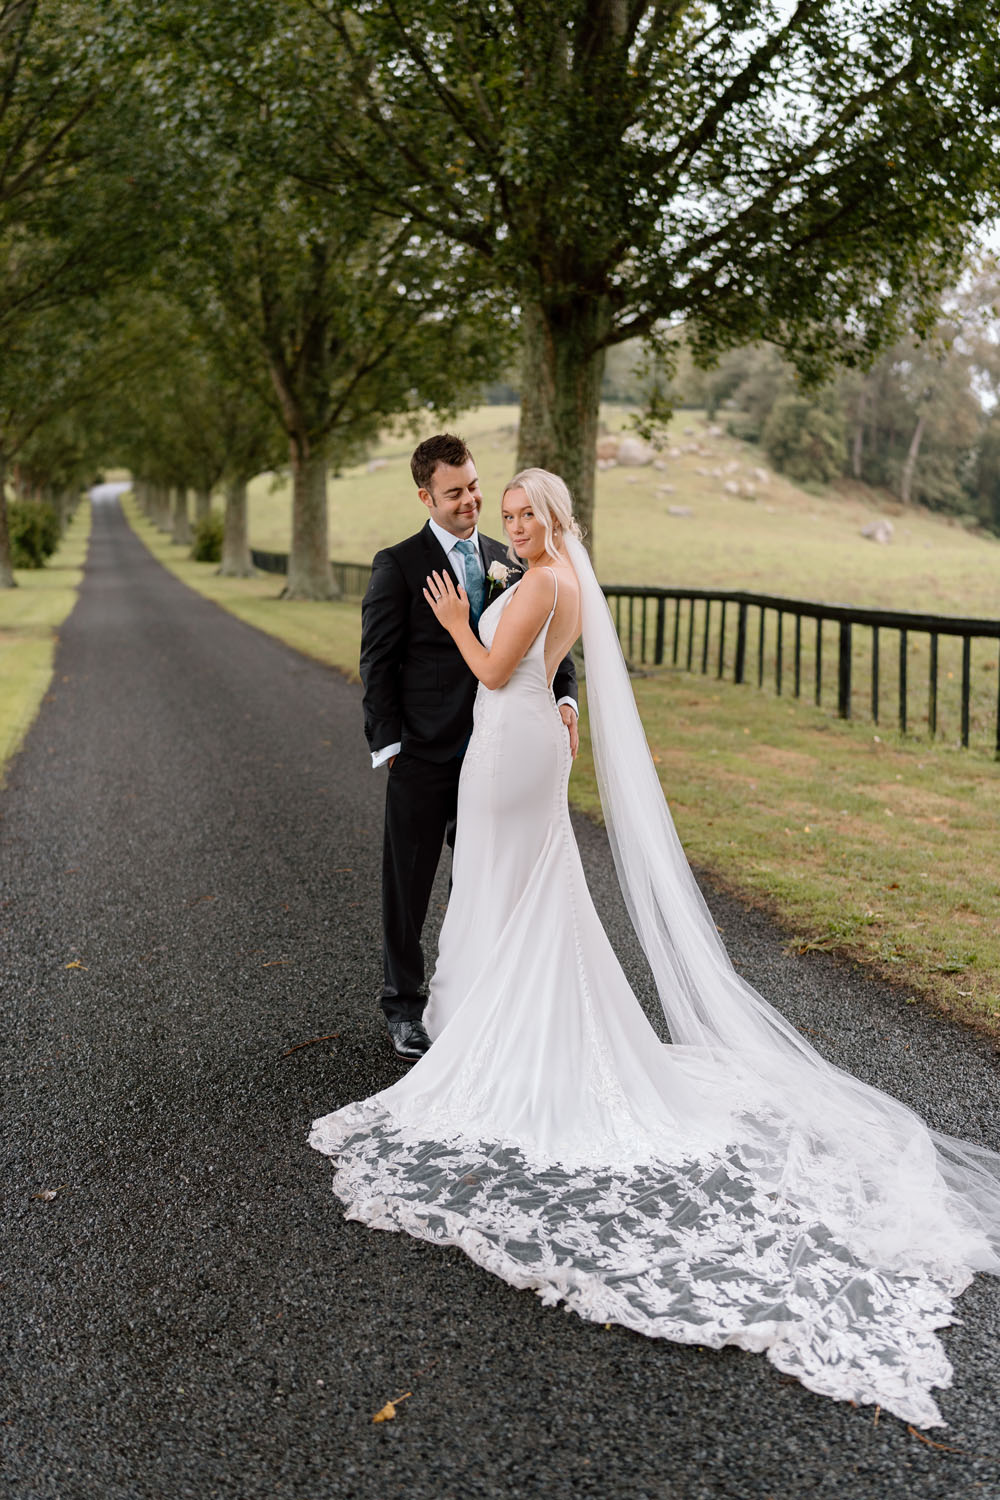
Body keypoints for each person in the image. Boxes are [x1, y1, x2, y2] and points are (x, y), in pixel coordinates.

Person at [315, 469, 1000, 1426]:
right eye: (504, 511)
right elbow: (549, 665)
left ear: (554, 518)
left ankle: (498, 1035)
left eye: (524, 511)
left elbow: (484, 665)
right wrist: (556, 698)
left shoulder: (543, 577)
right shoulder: (558, 577)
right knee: (523, 892)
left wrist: (458, 620)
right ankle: (488, 1016)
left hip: (506, 743)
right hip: (525, 741)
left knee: (506, 890)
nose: (511, 522)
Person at [359, 435, 578, 1061]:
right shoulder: (398, 563)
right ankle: (403, 1008)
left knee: (482, 878)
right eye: (455, 492)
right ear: (426, 496)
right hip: (424, 754)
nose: (472, 501)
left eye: (475, 486)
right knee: (408, 885)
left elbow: (546, 646)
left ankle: (473, 998)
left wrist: (564, 698)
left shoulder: (506, 556)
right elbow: (377, 662)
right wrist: (389, 744)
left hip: (498, 755)